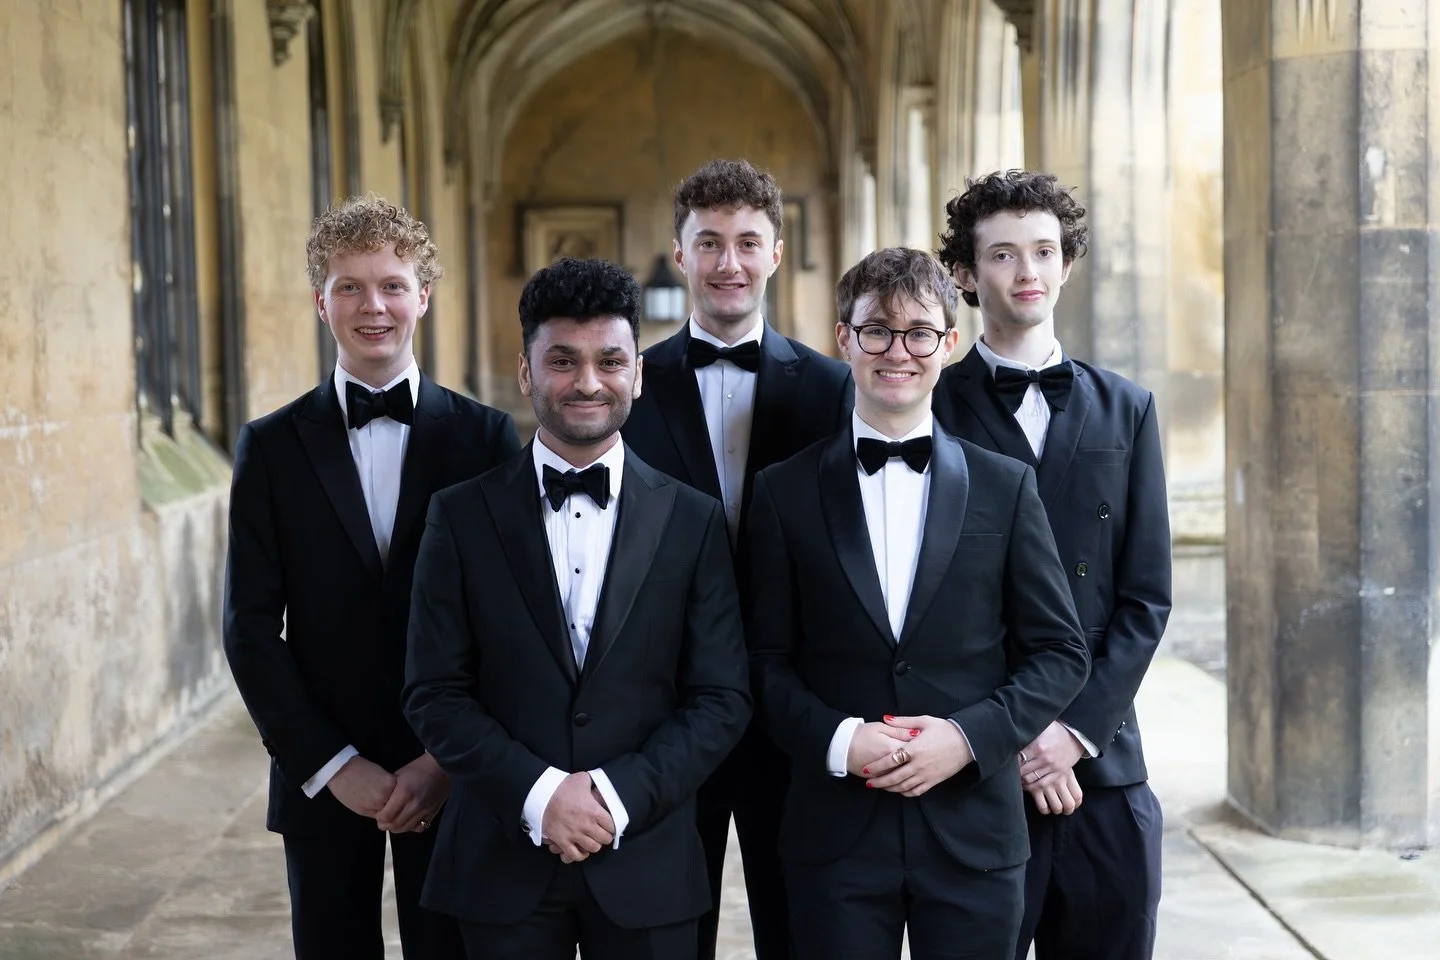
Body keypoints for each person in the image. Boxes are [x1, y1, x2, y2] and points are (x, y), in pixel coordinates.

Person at [746, 247, 1090, 960]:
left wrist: (966, 739)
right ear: (844, 339)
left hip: (974, 833)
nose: (897, 352)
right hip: (833, 836)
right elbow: (761, 661)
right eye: (877, 330)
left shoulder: (1007, 486)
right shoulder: (783, 491)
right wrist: (841, 740)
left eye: (920, 333)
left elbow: (1061, 653)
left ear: (949, 342)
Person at [403, 257, 752, 960]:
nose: (588, 382)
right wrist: (540, 796)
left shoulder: (694, 520)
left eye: (610, 361)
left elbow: (722, 698)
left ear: (638, 374)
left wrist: (616, 797)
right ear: (526, 372)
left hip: (648, 861)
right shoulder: (460, 516)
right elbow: (434, 692)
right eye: (562, 360)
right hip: (499, 861)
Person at [222, 196, 520, 960]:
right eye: (348, 287)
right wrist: (333, 765)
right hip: (323, 771)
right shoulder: (270, 448)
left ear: (424, 295)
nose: (373, 306)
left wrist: (447, 761)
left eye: (392, 285)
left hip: (454, 769)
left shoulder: (486, 437)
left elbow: (511, 620)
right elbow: (249, 627)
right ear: (320, 302)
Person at [932, 170, 1171, 960]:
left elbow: (1146, 598)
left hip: (1104, 764)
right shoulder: (930, 409)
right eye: (1002, 254)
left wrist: (1072, 733)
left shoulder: (1128, 407)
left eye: (1043, 251)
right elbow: (931, 607)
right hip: (980, 775)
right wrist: (1020, 740)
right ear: (966, 275)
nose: (1027, 270)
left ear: (1067, 264)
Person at [622, 158, 851, 960]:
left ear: (775, 255)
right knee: (666, 935)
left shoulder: (833, 389)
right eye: (709, 243)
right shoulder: (628, 387)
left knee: (798, 932)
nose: (729, 262)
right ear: (679, 255)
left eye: (748, 242)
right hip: (664, 712)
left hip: (794, 710)